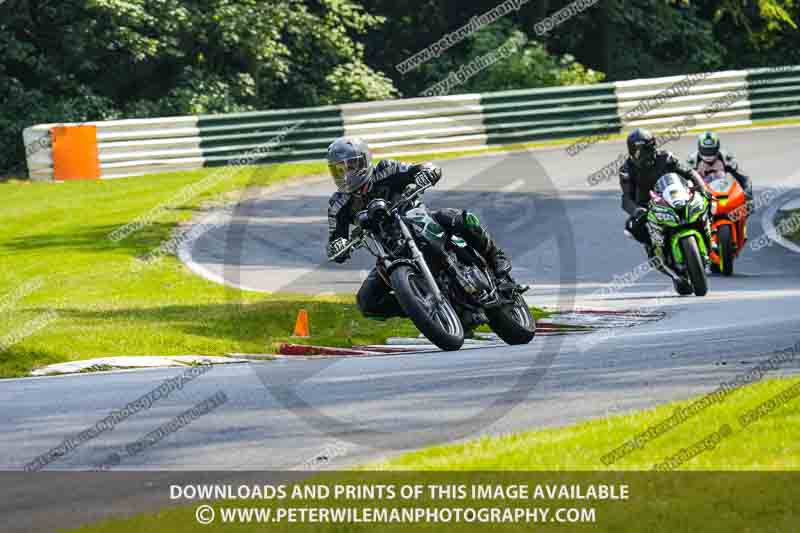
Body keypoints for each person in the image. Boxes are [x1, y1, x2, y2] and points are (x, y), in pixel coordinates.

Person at [326, 136, 512, 318]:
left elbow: (419, 168)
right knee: (367, 302)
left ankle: (495, 256)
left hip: (417, 219)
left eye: (351, 166)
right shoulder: (338, 204)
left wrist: (427, 172)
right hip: (389, 250)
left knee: (460, 218)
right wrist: (337, 246)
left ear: (364, 161)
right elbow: (335, 240)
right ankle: (424, 309)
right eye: (339, 170)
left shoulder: (385, 169)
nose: (346, 174)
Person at [618, 128, 712, 269]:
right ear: (631, 151)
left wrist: (703, 188)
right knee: (632, 227)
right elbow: (626, 198)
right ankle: (654, 250)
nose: (642, 155)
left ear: (653, 146)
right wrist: (637, 211)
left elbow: (690, 172)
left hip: (674, 196)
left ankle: (709, 232)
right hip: (648, 207)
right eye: (638, 151)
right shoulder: (626, 169)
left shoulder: (667, 157)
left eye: (646, 150)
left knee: (705, 201)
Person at [687, 131, 753, 206]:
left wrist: (748, 196)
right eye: (705, 150)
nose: (708, 154)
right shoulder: (692, 160)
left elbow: (743, 178)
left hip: (722, 192)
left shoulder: (726, 157)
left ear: (717, 148)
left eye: (711, 150)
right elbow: (686, 182)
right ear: (699, 148)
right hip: (702, 194)